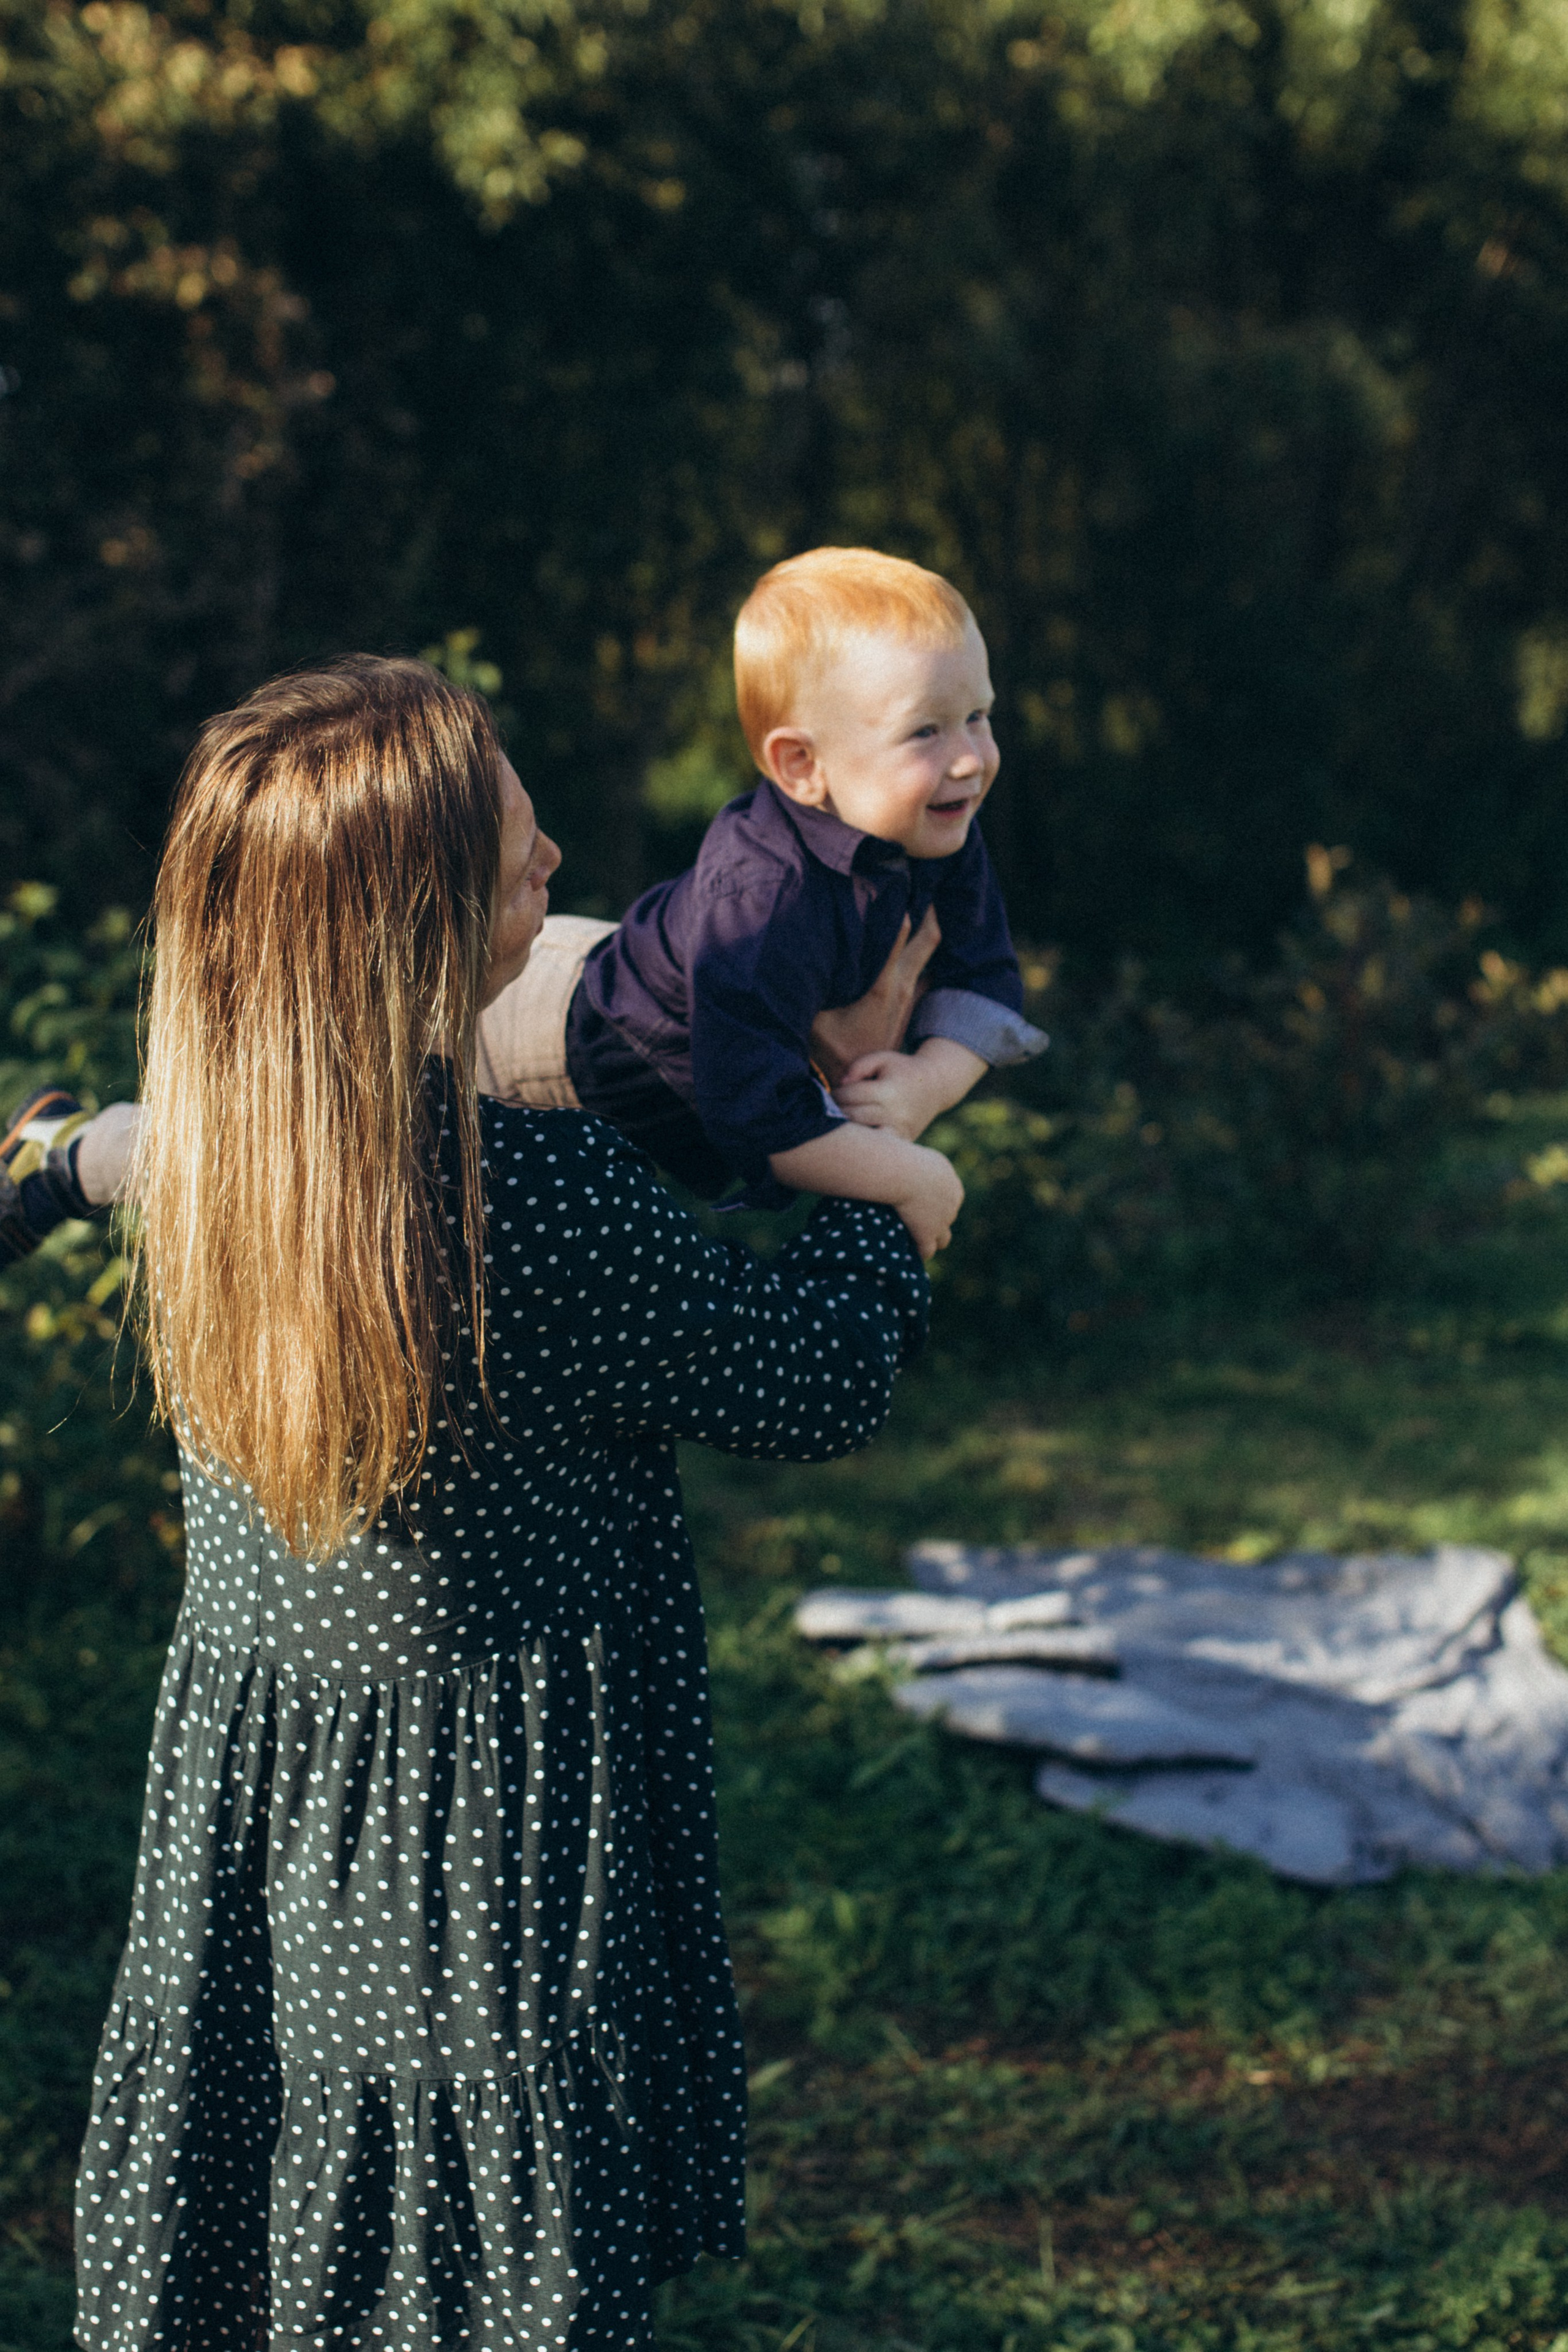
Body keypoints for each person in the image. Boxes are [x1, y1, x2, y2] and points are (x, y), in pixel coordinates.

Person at [69, 655, 929, 2350]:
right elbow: (807, 1376)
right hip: (478, 1843)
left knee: (286, 2158)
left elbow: (137, 1150)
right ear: (408, 925)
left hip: (269, 1799)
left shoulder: (222, 1147)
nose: (556, 870)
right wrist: (897, 1187)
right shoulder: (523, 1206)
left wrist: (69, 1155)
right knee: (473, 2237)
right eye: (521, 856)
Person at [477, 546, 1046, 1256]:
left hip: (644, 986)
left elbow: (984, 977)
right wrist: (912, 1176)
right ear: (801, 766)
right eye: (925, 731)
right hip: (537, 1032)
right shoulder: (763, 899)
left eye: (978, 716)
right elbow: (758, 1113)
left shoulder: (937, 825)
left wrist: (925, 1086)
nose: (970, 758)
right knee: (448, 1181)